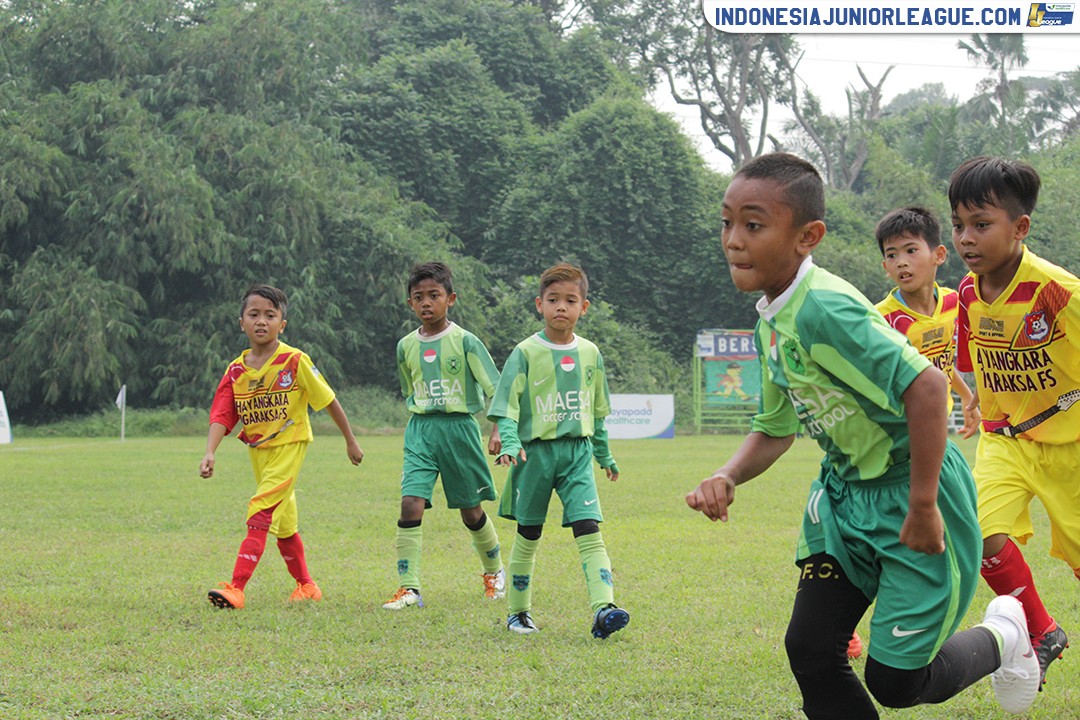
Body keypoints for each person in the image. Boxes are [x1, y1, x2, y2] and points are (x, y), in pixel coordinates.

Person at [685, 152, 1040, 718]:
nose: (733, 239)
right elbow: (775, 428)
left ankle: (1005, 634)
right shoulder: (770, 320)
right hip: (844, 500)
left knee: (896, 684)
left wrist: (923, 505)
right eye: (727, 222)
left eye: (753, 225)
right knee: (810, 649)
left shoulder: (825, 307)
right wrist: (728, 474)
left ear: (808, 236)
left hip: (912, 493)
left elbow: (927, 387)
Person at [950, 156, 1077, 689]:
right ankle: (1043, 630)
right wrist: (977, 400)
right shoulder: (966, 296)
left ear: (1020, 227)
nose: (966, 238)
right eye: (958, 226)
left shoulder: (1060, 293)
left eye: (982, 225)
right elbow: (976, 360)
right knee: (979, 534)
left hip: (1071, 446)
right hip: (1005, 442)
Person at [200, 284, 364, 610]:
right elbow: (223, 412)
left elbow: (327, 400)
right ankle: (306, 585)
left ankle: (236, 587)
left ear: (282, 325)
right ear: (241, 322)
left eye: (270, 315)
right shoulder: (236, 369)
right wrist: (210, 451)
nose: (262, 321)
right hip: (258, 451)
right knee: (284, 524)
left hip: (290, 446)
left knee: (259, 511)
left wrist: (350, 439)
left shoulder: (294, 360)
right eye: (254, 314)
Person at [488, 262, 627, 638]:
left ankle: (604, 607)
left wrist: (604, 454)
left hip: (577, 455)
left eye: (570, 300)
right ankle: (518, 613)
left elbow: (596, 412)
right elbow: (506, 405)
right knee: (529, 533)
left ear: (584, 307)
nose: (561, 307)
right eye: (553, 300)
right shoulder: (525, 352)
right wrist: (511, 441)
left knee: (589, 528)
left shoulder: (591, 354)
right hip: (534, 456)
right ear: (539, 304)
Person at [382, 262, 505, 610]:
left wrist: (497, 428)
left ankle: (494, 571)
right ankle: (409, 589)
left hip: (460, 430)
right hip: (420, 430)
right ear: (410, 304)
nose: (426, 303)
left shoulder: (465, 341)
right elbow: (410, 388)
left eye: (434, 295)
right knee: (410, 504)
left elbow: (495, 388)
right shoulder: (405, 346)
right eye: (418, 297)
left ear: (450, 299)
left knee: (470, 511)